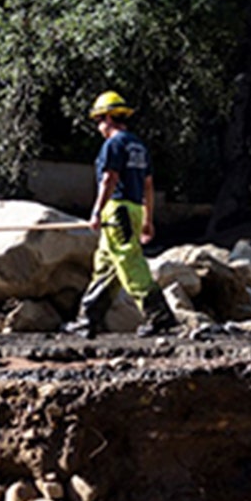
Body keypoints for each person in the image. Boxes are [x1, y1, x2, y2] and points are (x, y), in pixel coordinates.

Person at [65, 91, 179, 337]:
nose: (98, 126)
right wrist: (147, 219)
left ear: (108, 117)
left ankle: (159, 317)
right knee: (105, 266)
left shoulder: (113, 144)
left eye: (98, 120)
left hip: (117, 211)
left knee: (130, 261)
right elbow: (148, 185)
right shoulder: (138, 146)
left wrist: (96, 212)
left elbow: (109, 179)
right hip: (133, 209)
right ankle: (88, 320)